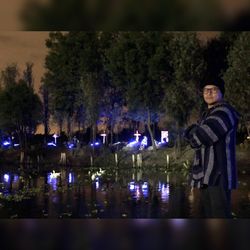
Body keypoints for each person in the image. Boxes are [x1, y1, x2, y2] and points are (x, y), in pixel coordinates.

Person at [184, 77, 240, 218]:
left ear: (221, 92)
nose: (209, 93)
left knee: (219, 216)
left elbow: (200, 137)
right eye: (206, 90)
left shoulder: (224, 112)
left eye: (213, 89)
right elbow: (192, 136)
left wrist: (193, 131)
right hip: (205, 176)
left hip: (218, 174)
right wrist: (193, 132)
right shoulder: (207, 115)